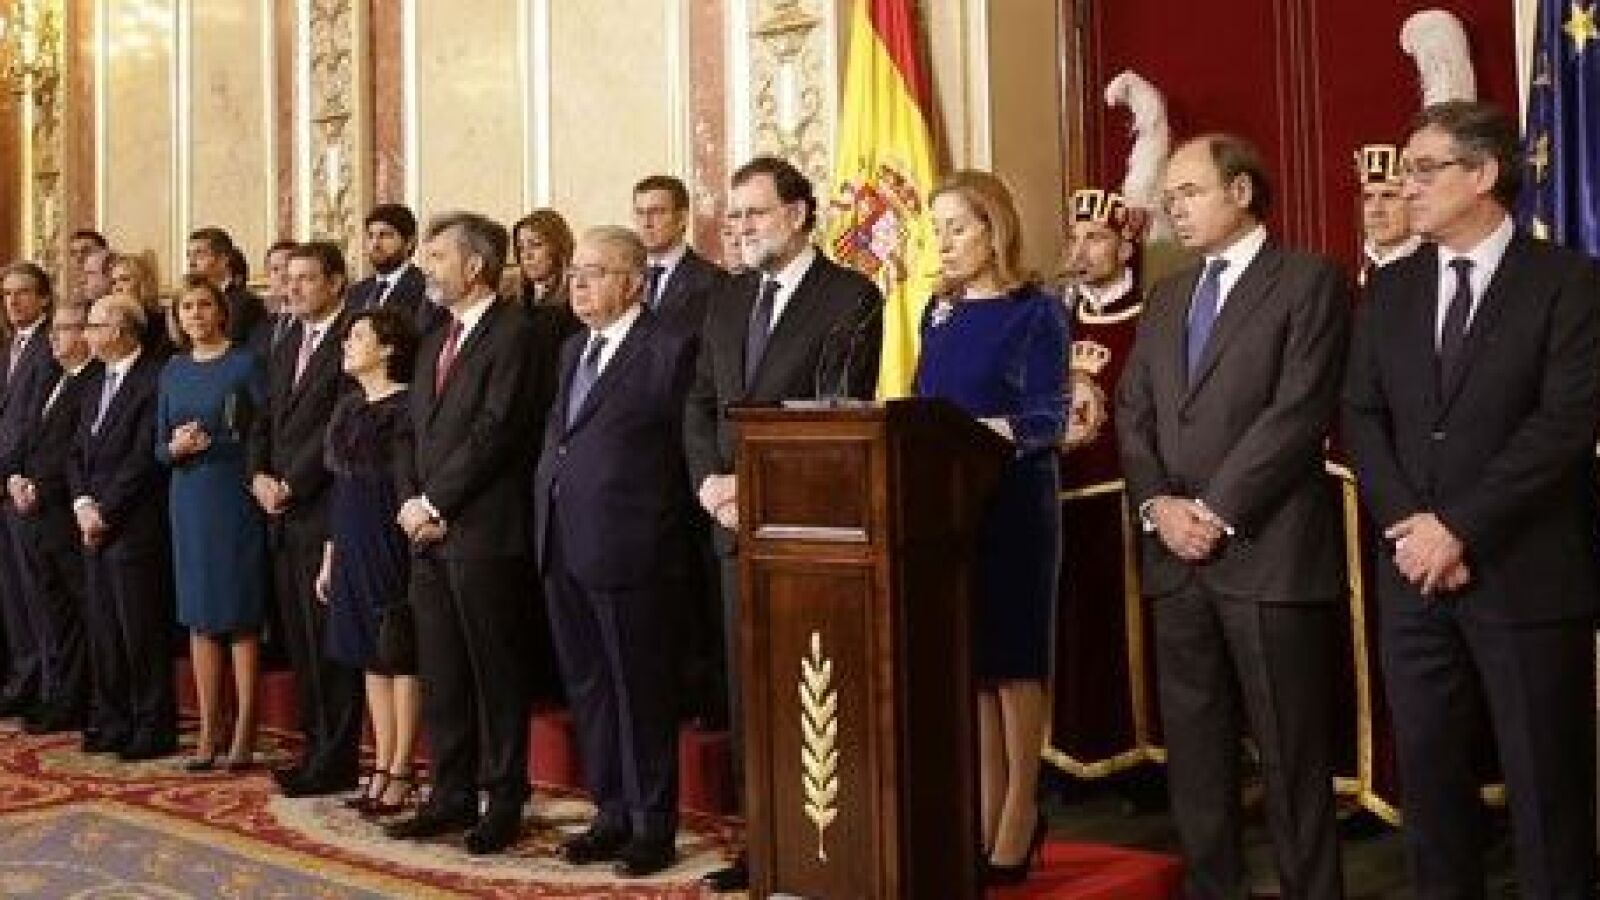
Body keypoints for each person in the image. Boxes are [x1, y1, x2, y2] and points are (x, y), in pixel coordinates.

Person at [1344, 100, 1599, 900]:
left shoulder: (1569, 282)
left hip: (1525, 576)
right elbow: (1361, 414)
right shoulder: (1391, 288)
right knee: (1430, 789)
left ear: (1483, 173)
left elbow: (1564, 426)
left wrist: (1458, 528)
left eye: (1424, 170)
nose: (1405, 187)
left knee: (1546, 791)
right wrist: (1411, 530)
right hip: (1413, 579)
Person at [1116, 133, 1349, 900]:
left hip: (1268, 554)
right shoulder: (1167, 295)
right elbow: (1133, 410)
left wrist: (1214, 511)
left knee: (1291, 756)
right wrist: (1159, 505)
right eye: (1169, 197)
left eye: (1189, 192)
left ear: (1241, 192)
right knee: (1195, 755)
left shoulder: (1309, 280)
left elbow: (1298, 411)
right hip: (1174, 559)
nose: (1173, 209)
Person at [683, 155, 883, 892]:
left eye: (755, 213)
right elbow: (700, 402)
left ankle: (821, 848)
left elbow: (834, 412)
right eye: (733, 215)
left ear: (797, 215)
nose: (739, 228)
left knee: (808, 694)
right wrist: (711, 483)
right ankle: (759, 846)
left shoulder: (851, 296)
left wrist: (753, 484)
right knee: (748, 697)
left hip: (805, 534)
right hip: (729, 524)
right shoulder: (728, 297)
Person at [912, 170, 1066, 884]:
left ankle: (1021, 812)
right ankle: (984, 813)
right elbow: (922, 403)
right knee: (974, 668)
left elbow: (1047, 417)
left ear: (993, 228)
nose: (943, 242)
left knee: (1014, 662)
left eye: (957, 227)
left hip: (1014, 504)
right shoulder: (936, 311)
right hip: (948, 507)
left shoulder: (1036, 312)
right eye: (936, 229)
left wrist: (973, 432)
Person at [536, 227, 697, 878]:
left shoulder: (670, 348)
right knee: (590, 686)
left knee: (639, 691)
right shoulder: (572, 348)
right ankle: (610, 813)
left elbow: (680, 451)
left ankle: (653, 826)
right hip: (563, 540)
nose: (578, 283)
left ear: (634, 282)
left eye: (595, 272)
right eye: (575, 272)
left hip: (633, 547)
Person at [386, 211, 540, 856]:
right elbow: (407, 429)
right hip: (427, 534)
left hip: (483, 532)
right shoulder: (434, 334)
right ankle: (449, 794)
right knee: (443, 671)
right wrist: (409, 502)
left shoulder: (516, 333)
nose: (426, 268)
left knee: (493, 674)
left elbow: (496, 432)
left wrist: (435, 501)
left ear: (474, 266)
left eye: (437, 257)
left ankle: (503, 799)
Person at [1050, 188, 1161, 794]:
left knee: (1130, 636)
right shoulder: (1053, 320)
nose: (1082, 250)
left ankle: (1140, 758)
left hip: (1125, 501)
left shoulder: (1152, 318)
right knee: (1070, 634)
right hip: (1061, 499)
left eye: (1095, 238)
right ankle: (1070, 755)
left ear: (1125, 246)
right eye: (1076, 237)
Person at [249, 241, 361, 796]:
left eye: (306, 278)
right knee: (299, 640)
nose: (291, 288)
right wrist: (257, 475)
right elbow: (264, 416)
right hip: (280, 512)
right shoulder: (286, 336)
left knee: (326, 642)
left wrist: (293, 482)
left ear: (336, 282)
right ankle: (314, 747)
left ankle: (335, 758)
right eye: (288, 278)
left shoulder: (353, 338)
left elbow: (341, 424)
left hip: (324, 509)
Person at [157, 275, 269, 771]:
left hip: (232, 495)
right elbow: (157, 445)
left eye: (204, 305)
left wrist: (218, 444)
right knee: (200, 616)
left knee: (240, 615)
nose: (196, 315)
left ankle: (245, 729)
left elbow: (262, 430)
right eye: (187, 307)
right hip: (188, 498)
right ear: (177, 317)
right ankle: (207, 731)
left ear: (221, 311)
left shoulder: (245, 363)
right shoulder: (173, 369)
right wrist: (175, 448)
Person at [315, 307, 420, 817]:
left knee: (397, 652)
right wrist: (329, 557)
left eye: (358, 336)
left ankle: (402, 768)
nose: (347, 344)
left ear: (388, 348)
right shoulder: (348, 408)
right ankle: (379, 763)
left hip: (389, 537)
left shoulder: (408, 406)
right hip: (351, 540)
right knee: (366, 655)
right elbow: (340, 489)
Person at [71, 293, 173, 759]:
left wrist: (105, 510)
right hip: (92, 523)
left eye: (93, 326)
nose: (86, 335)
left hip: (134, 525)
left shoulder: (154, 378)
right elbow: (75, 450)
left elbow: (142, 458)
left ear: (118, 330)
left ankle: (152, 725)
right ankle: (114, 719)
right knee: (105, 629)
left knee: (140, 630)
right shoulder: (93, 380)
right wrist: (82, 503)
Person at [0, 301, 100, 733]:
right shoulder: (55, 378)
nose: (54, 337)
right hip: (37, 512)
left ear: (86, 334)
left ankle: (83, 700)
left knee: (80, 610)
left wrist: (42, 487)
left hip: (64, 512)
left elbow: (74, 451)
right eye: (54, 329)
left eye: (64, 329)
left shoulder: (93, 381)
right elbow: (30, 439)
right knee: (54, 610)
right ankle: (61, 697)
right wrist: (16, 478)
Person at [0, 261, 59, 718]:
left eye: (22, 292)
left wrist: (10, 473)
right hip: (4, 486)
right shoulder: (7, 348)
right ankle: (23, 679)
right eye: (7, 294)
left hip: (24, 485)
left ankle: (48, 685)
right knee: (12, 594)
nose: (13, 301)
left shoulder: (48, 348)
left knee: (37, 592)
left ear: (43, 298)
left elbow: (33, 426)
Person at [632, 174, 727, 331]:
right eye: (640, 213)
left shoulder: (713, 281)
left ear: (682, 218)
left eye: (657, 212)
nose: (646, 223)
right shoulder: (627, 275)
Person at [349, 204, 442, 335]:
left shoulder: (425, 288)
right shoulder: (357, 291)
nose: (375, 244)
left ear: (409, 243)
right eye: (370, 236)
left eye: (384, 235)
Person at [187, 227, 267, 347]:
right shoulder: (186, 301)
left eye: (200, 254)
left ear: (223, 259)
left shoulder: (247, 303)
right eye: (189, 256)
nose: (191, 263)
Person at [1354, 144, 1421, 286]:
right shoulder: (1356, 273)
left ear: (1414, 203)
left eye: (1388, 196)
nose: (1375, 210)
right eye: (1368, 197)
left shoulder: (1436, 269)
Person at [107, 252, 173, 357]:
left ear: (142, 283)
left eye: (125, 279)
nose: (118, 287)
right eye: (114, 282)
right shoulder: (109, 319)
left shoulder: (163, 320)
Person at [513, 209, 575, 308]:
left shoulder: (575, 299)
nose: (527, 255)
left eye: (536, 244)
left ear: (558, 247)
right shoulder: (513, 299)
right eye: (521, 248)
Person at [262, 239, 301, 351]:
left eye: (288, 267)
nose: (283, 275)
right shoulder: (262, 322)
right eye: (275, 269)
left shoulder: (313, 322)